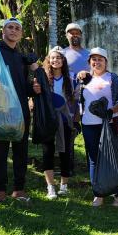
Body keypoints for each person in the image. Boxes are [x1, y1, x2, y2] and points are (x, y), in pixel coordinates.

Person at [0, 18, 40, 204]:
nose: (13, 31)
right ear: (3, 31)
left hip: (20, 110)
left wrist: (33, 89)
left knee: (21, 150)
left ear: (21, 34)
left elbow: (20, 86)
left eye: (17, 28)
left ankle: (19, 190)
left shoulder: (21, 57)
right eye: (10, 27)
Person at [76, 47, 118, 207]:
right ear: (89, 62)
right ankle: (98, 194)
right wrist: (79, 79)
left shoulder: (113, 79)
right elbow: (76, 98)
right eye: (94, 59)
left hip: (109, 124)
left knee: (113, 158)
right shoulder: (84, 79)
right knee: (93, 160)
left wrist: (110, 111)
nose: (96, 62)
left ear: (106, 62)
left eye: (100, 59)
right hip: (88, 125)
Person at [38, 47, 76, 199]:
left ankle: (64, 185)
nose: (55, 60)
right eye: (52, 58)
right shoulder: (43, 78)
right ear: (49, 60)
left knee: (65, 151)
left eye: (58, 58)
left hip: (65, 119)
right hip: (48, 119)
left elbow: (76, 98)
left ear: (63, 61)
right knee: (47, 151)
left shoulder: (71, 78)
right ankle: (50, 186)